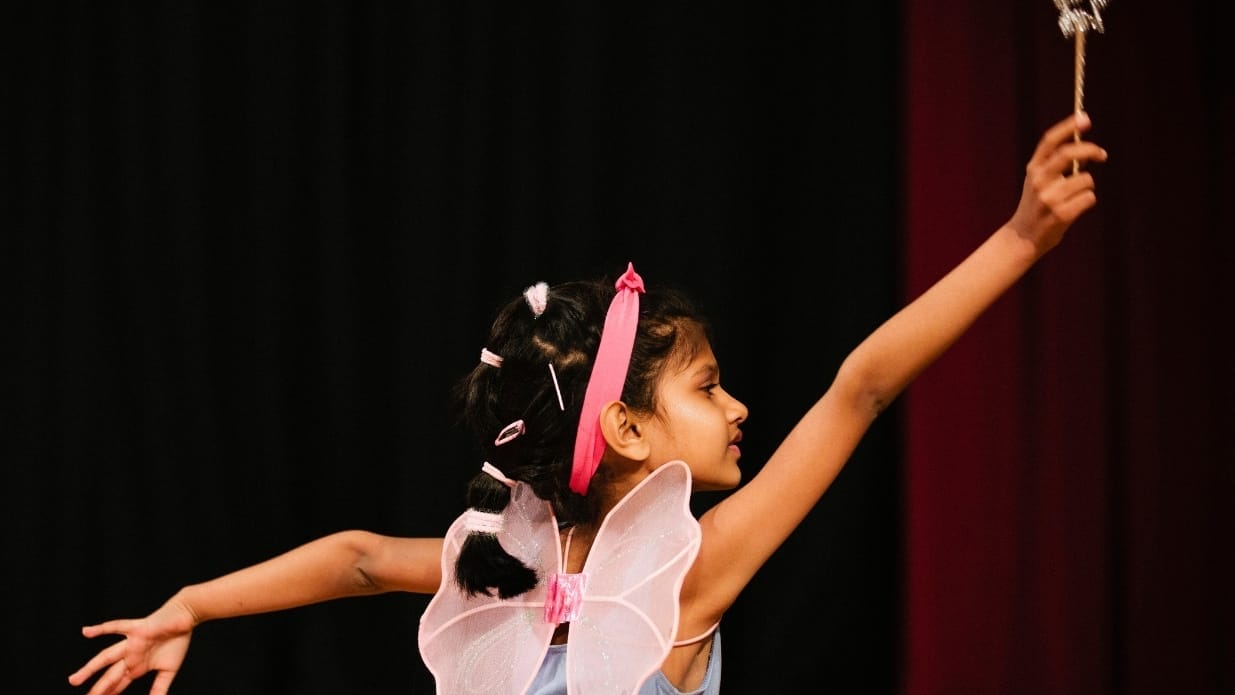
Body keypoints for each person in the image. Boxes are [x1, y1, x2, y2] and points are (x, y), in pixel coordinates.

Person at [69, 112, 1108, 695]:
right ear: (623, 428)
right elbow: (860, 387)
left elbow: (352, 556)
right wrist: (1016, 239)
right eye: (705, 386)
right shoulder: (670, 572)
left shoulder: (567, 570)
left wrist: (196, 600)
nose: (738, 404)